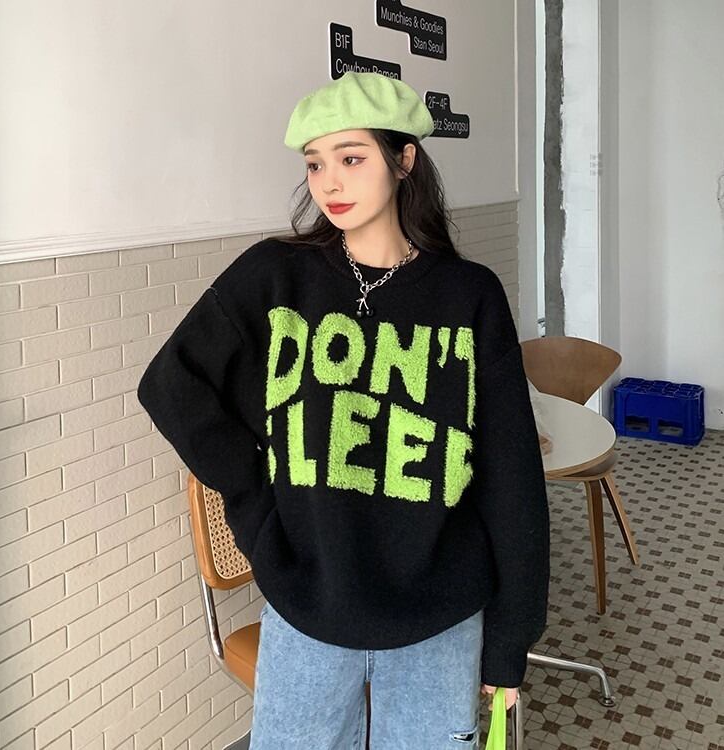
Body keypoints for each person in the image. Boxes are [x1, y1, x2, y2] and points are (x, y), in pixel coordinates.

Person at [137, 71, 550, 748]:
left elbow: (511, 478)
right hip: (308, 611)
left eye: (351, 158)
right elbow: (171, 384)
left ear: (404, 159)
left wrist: (511, 637)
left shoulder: (468, 295)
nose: (329, 183)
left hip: (440, 619)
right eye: (315, 164)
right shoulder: (275, 275)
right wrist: (257, 505)